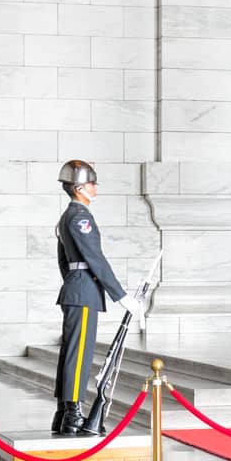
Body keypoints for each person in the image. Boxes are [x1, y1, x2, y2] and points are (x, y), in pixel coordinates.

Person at [52, 160, 141, 435]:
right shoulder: (80, 217)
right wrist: (121, 296)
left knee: (71, 353)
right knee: (78, 356)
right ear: (79, 188)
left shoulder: (68, 216)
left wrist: (72, 283)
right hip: (84, 290)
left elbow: (63, 261)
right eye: (91, 182)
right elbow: (95, 259)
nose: (95, 186)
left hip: (77, 287)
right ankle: (74, 413)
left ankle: (65, 412)